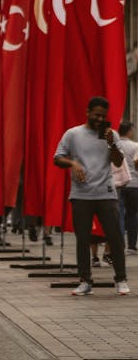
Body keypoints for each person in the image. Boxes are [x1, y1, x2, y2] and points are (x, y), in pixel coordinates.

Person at [54, 96, 130, 296]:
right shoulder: (73, 134)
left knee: (114, 238)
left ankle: (121, 279)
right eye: (97, 115)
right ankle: (85, 281)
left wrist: (112, 143)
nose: (100, 119)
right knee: (83, 239)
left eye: (103, 116)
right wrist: (73, 163)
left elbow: (118, 161)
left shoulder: (111, 134)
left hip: (106, 192)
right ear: (87, 112)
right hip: (81, 194)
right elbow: (58, 157)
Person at [117, 120, 138, 253]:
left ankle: (119, 245)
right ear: (129, 131)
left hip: (118, 183)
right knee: (132, 214)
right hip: (134, 184)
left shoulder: (115, 145)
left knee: (119, 214)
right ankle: (131, 245)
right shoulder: (135, 146)